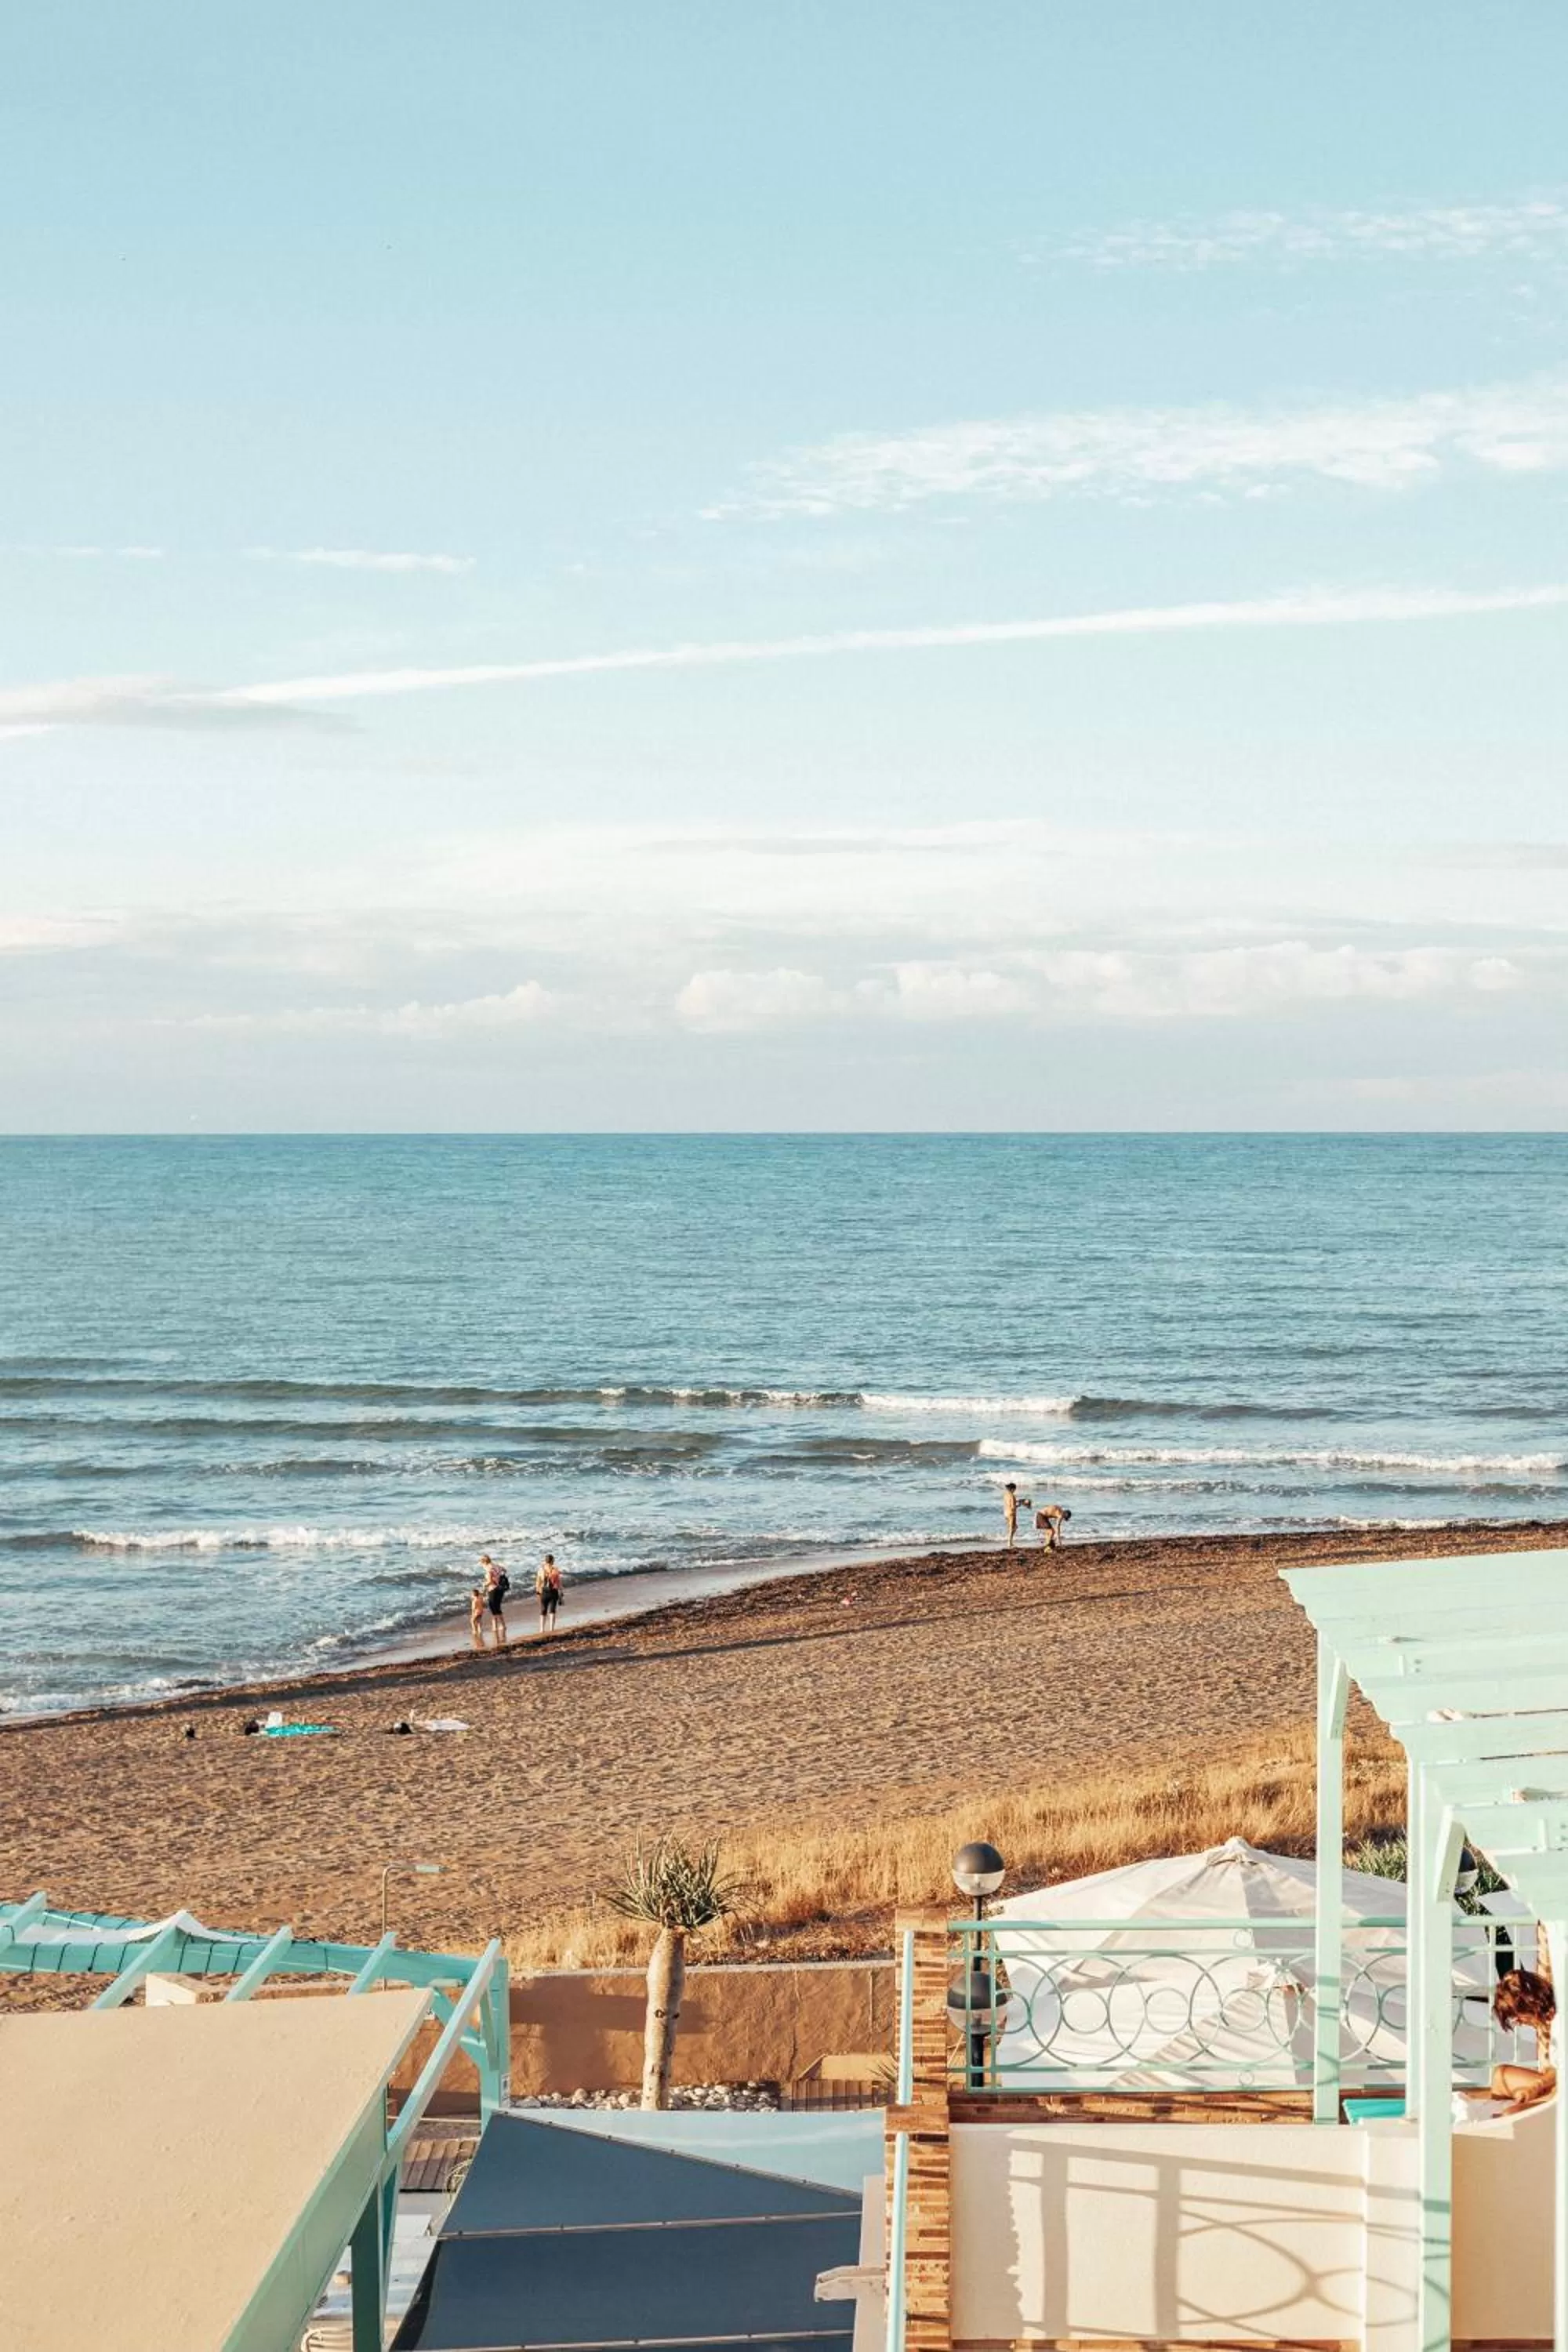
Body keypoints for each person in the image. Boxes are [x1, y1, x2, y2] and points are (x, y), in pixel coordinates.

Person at [1489, 1967, 1556, 2111]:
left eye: (1516, 2015)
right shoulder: (1551, 2023)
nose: (1517, 2022)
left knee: (1511, 2113)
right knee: (1500, 2076)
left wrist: (1536, 2087)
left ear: (1530, 2003)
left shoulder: (1562, 2022)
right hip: (1557, 2083)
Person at [479, 1552, 510, 1649]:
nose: (481, 1566)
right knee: (498, 1607)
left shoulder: (489, 1569)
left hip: (493, 1589)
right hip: (500, 1588)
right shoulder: (496, 1566)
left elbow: (490, 1581)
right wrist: (500, 1578)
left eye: (481, 1564)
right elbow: (505, 1570)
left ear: (484, 1562)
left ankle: (495, 1627)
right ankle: (502, 1625)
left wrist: (484, 1585)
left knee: (493, 1608)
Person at [536, 1552, 562, 1634]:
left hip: (544, 1591)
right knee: (552, 1610)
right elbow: (558, 1583)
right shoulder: (555, 1570)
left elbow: (538, 1582)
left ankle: (541, 1629)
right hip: (553, 1591)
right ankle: (551, 1628)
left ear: (545, 1561)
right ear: (552, 1561)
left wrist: (538, 1592)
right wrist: (561, 1592)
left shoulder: (541, 1570)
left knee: (543, 1610)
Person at [1002, 1483, 1032, 1548]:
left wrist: (1020, 1501)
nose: (1015, 1490)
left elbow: (1009, 1503)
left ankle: (1010, 1542)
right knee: (1012, 1528)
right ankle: (1009, 1543)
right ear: (1012, 1489)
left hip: (1006, 1513)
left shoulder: (1006, 1495)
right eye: (1015, 1489)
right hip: (1011, 1513)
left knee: (1014, 1527)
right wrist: (1019, 1505)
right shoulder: (1012, 1496)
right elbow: (1013, 1507)